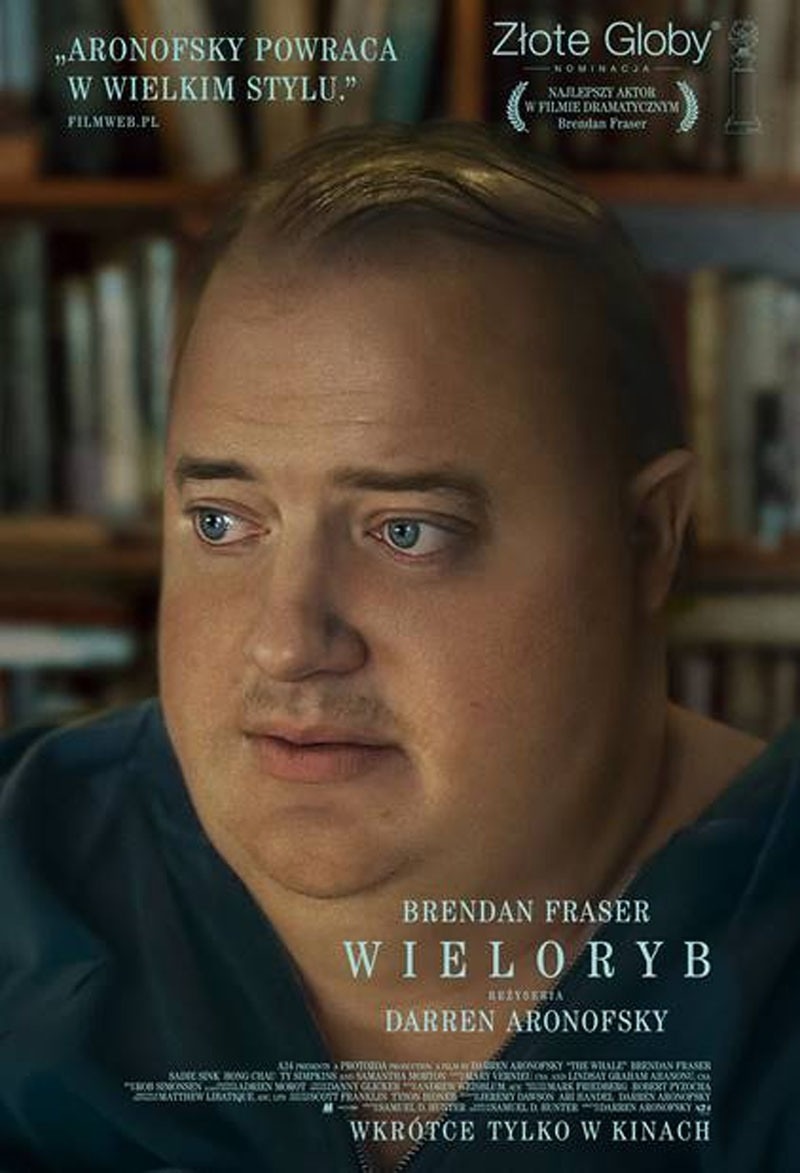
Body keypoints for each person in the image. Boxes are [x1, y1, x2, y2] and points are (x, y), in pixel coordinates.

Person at [1, 122, 799, 1173]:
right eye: (222, 522)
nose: (286, 644)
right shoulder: (25, 877)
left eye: (407, 532)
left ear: (646, 539)